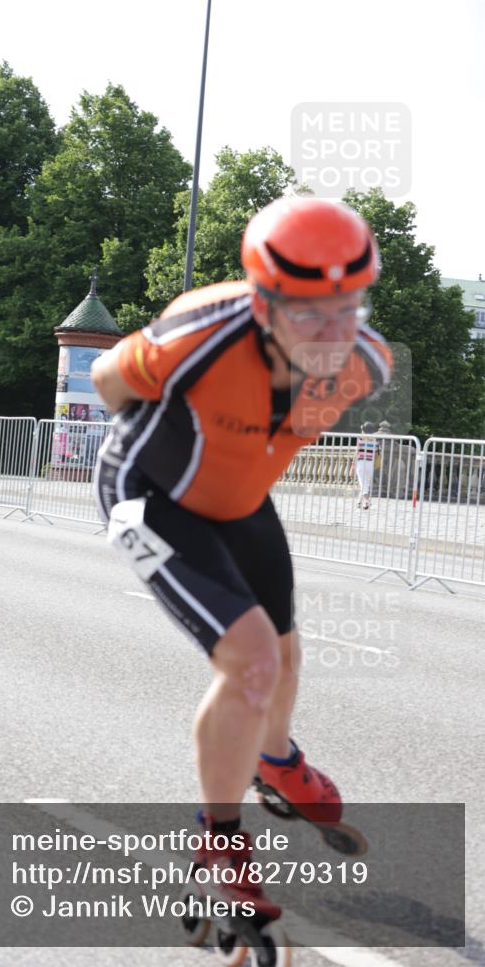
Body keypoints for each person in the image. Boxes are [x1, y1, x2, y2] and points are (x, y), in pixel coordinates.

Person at [91, 197, 393, 917]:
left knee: (284, 655)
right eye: (308, 312)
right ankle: (217, 843)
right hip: (144, 497)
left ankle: (276, 759)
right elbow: (107, 381)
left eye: (349, 304)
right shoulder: (197, 332)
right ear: (262, 303)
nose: (333, 330)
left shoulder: (366, 364)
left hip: (240, 503)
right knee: (250, 660)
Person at [353, 421, 380, 509]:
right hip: (370, 463)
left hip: (361, 462)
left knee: (362, 483)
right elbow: (377, 454)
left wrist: (353, 464)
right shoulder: (376, 441)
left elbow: (357, 452)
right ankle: (359, 502)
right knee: (365, 484)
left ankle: (367, 500)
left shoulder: (360, 439)